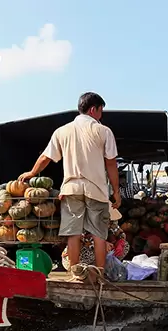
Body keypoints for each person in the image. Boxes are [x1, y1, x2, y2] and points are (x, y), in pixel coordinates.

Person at [19, 92, 120, 282]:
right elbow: (111, 164)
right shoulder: (104, 131)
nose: (101, 115)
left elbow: (45, 157)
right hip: (96, 190)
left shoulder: (62, 131)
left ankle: (75, 274)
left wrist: (32, 173)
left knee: (73, 234)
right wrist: (116, 191)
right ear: (93, 109)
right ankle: (99, 275)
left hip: (71, 189)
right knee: (99, 234)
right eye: (101, 111)